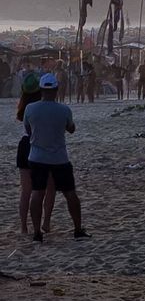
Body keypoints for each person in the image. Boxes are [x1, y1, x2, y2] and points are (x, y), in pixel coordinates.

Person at [24, 73, 89, 243]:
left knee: (37, 193)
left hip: (37, 156)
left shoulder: (30, 109)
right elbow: (71, 129)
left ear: (41, 89)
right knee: (70, 194)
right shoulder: (64, 110)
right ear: (56, 89)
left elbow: (28, 130)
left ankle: (37, 232)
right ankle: (77, 229)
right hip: (59, 158)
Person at [16, 73, 55, 236]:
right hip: (42, 145)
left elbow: (26, 128)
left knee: (26, 190)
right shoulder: (43, 105)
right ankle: (46, 221)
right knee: (50, 186)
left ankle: (24, 227)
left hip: (24, 145)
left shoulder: (23, 107)